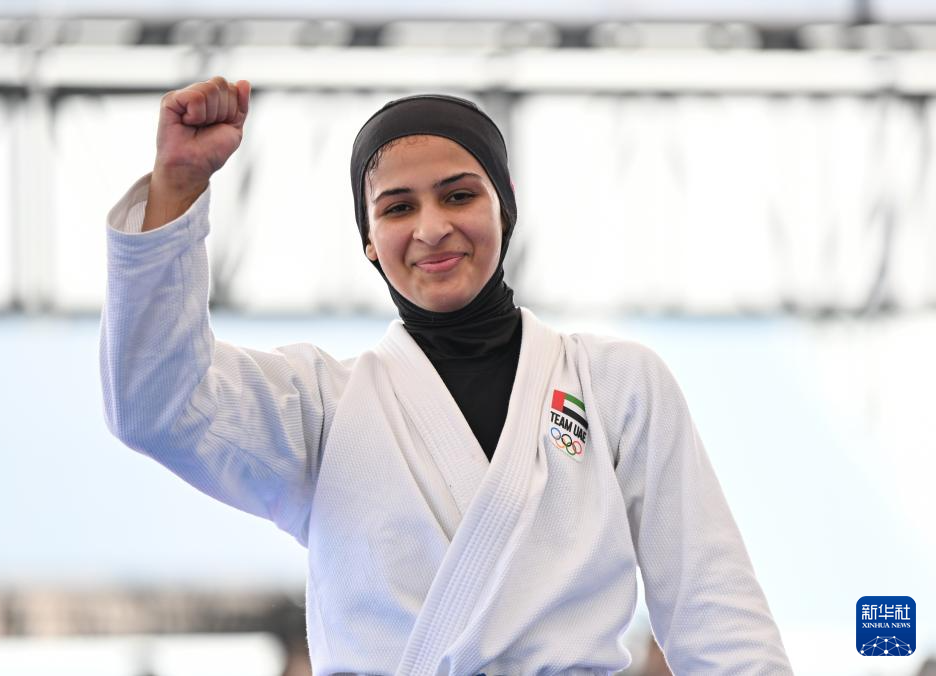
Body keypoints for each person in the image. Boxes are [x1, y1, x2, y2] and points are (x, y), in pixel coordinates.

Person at [100, 76, 793, 675]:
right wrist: (178, 186)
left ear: (504, 205)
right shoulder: (324, 407)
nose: (431, 228)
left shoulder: (617, 384)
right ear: (369, 240)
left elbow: (714, 608)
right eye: (398, 207)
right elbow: (156, 405)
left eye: (458, 196)